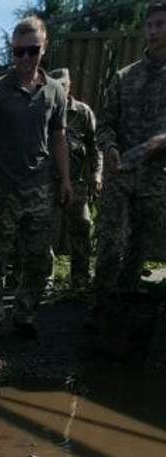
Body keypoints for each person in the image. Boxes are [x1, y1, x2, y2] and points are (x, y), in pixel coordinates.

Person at [0, 16, 72, 343]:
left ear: (44, 47)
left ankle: (24, 315)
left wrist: (65, 180)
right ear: (12, 51)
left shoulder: (54, 92)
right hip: (2, 189)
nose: (24, 58)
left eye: (31, 51)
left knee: (38, 258)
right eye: (18, 52)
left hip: (39, 189)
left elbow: (59, 139)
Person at [91, 2, 166, 315]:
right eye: (149, 25)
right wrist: (108, 147)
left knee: (140, 244)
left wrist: (160, 141)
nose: (153, 31)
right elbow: (105, 123)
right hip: (120, 173)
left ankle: (123, 306)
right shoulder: (125, 77)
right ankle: (99, 305)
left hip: (157, 174)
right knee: (110, 242)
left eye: (160, 24)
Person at [48, 68, 102, 291]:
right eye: (56, 85)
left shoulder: (83, 112)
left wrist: (97, 174)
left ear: (70, 86)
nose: (60, 89)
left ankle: (79, 281)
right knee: (41, 232)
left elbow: (94, 146)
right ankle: (44, 280)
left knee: (81, 229)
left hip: (77, 182)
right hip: (47, 181)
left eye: (64, 85)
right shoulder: (44, 109)